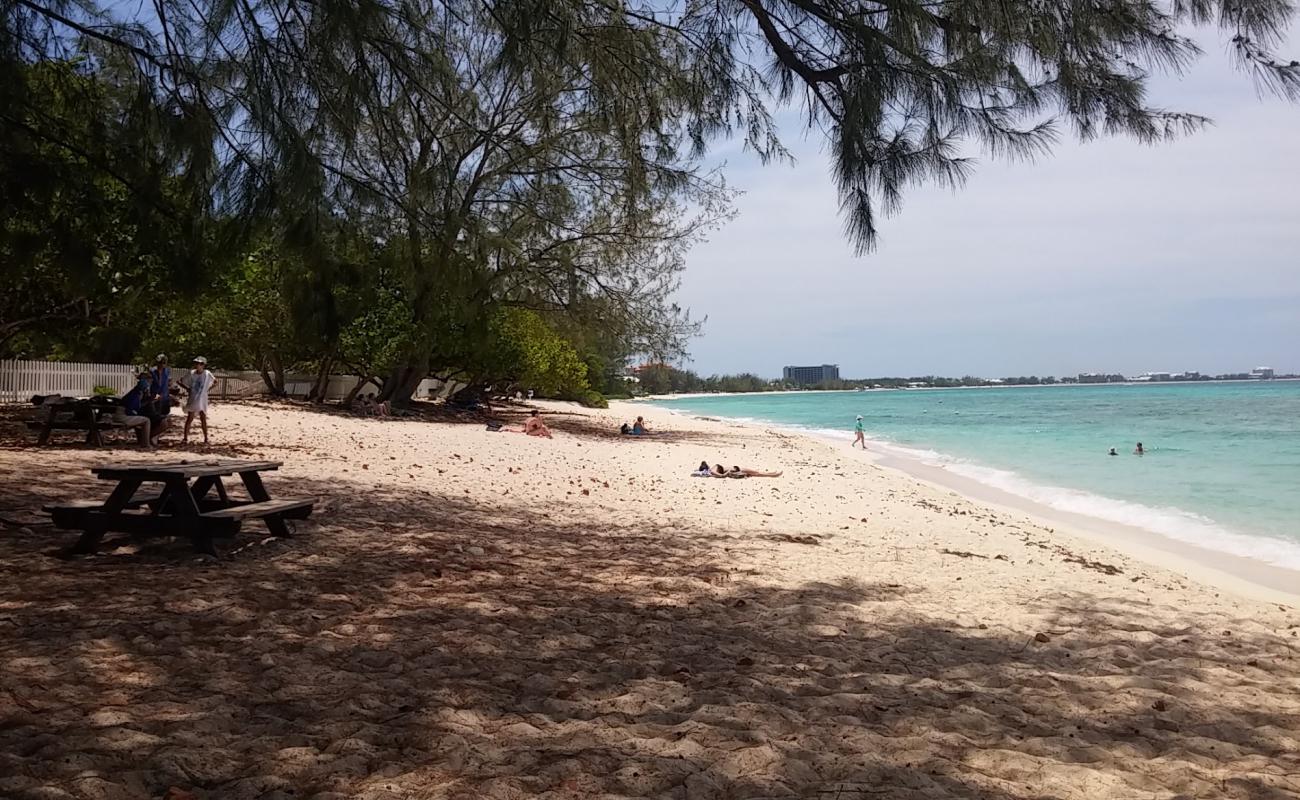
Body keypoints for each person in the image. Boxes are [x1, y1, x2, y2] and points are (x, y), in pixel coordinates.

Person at [179, 356, 216, 446]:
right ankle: (185, 438)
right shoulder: (191, 373)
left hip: (202, 399)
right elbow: (180, 381)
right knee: (190, 418)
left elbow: (215, 382)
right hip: (193, 398)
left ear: (203, 365)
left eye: (200, 364)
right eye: (196, 363)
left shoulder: (207, 374)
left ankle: (206, 438)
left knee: (203, 418)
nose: (198, 365)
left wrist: (207, 390)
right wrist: (188, 389)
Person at [113, 372, 154, 447]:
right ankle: (146, 443)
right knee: (146, 420)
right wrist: (136, 415)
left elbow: (136, 406)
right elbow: (129, 411)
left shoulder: (136, 393)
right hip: (122, 416)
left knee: (143, 419)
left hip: (122, 414)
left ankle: (144, 441)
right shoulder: (135, 395)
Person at [149, 354, 173, 436]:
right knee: (155, 416)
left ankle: (157, 434)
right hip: (155, 397)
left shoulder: (167, 371)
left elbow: (169, 382)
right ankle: (152, 434)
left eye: (164, 362)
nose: (162, 364)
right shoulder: (152, 371)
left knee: (164, 414)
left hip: (165, 396)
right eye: (160, 362)